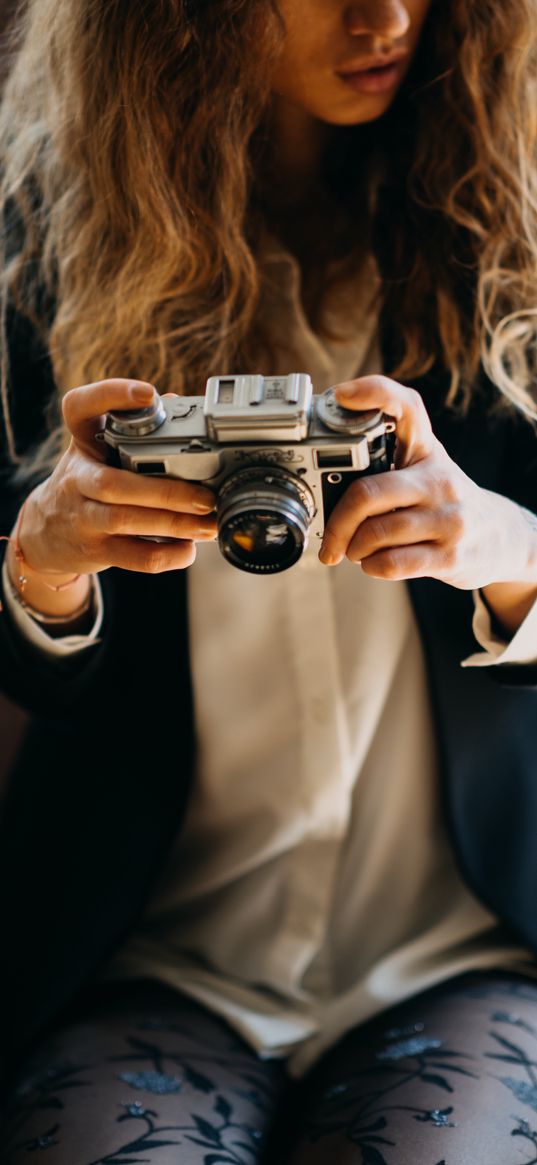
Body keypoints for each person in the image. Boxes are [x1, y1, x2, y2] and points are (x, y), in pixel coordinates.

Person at [0, 0, 536, 1160]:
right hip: (156, 944)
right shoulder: (45, 243)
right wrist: (42, 561)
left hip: (462, 941)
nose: (385, 15)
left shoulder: (511, 218)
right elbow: (32, 662)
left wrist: (499, 545)